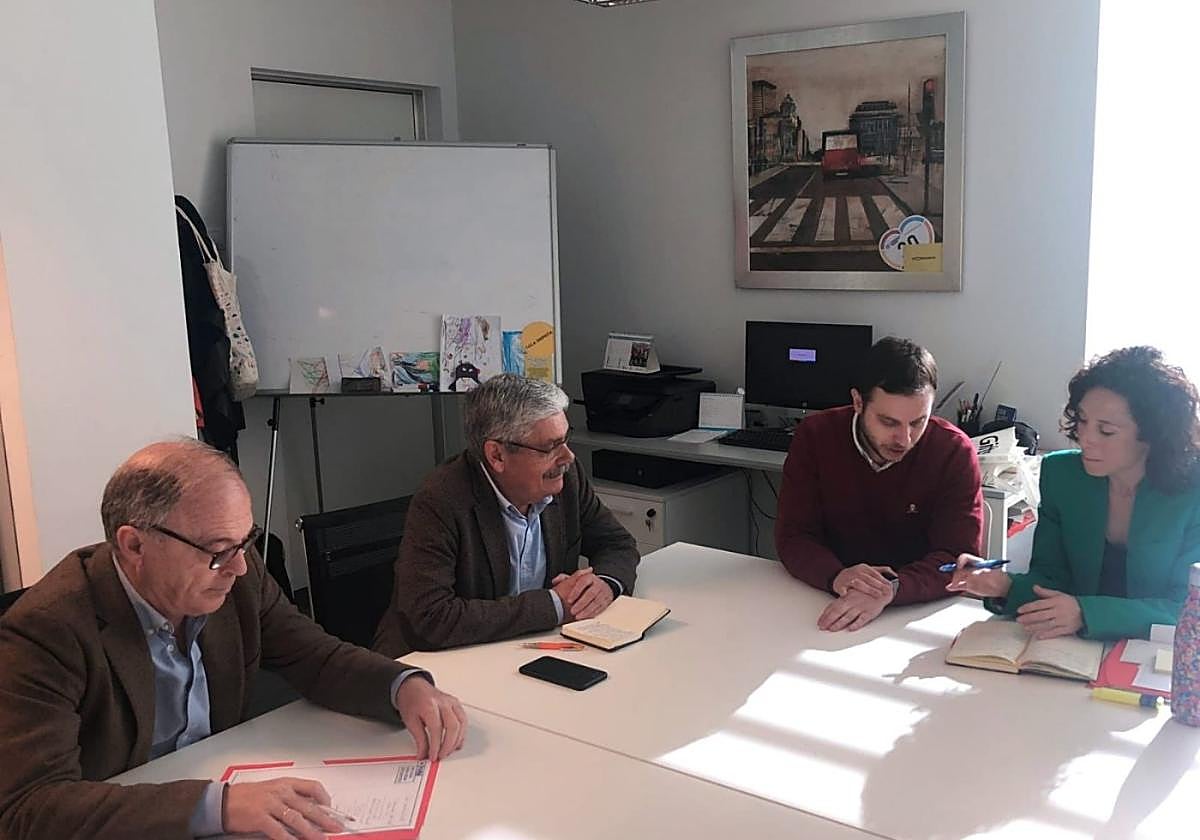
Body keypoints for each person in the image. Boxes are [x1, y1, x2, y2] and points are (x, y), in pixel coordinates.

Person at [0, 440, 467, 840]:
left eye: (246, 542)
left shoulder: (236, 573)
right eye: (220, 551)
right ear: (134, 545)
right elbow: (30, 808)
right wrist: (218, 805)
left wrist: (402, 685)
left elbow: (313, 655)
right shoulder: (45, 631)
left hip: (225, 781)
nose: (240, 567)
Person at [374, 374, 639, 656]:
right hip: (438, 662)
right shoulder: (441, 500)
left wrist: (605, 585)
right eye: (549, 447)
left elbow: (617, 543)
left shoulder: (566, 478)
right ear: (497, 456)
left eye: (565, 439)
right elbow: (430, 617)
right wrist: (553, 605)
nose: (568, 457)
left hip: (530, 649)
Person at [948, 346, 1200, 640]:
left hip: (1160, 655)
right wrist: (1004, 585)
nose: (1085, 438)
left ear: (1153, 434)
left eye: (1106, 431)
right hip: (1072, 650)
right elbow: (1051, 579)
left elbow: (1187, 609)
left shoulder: (1192, 490)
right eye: (1082, 420)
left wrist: (1086, 612)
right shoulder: (1061, 475)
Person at [775, 337, 983, 631]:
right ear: (858, 402)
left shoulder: (953, 451)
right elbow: (794, 536)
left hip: (916, 611)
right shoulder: (815, 435)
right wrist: (837, 576)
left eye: (918, 422)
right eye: (889, 422)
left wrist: (892, 588)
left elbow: (957, 557)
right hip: (829, 597)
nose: (905, 439)